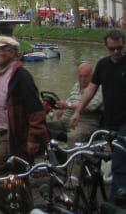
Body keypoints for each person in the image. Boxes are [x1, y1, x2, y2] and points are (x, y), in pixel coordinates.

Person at [0, 35, 48, 210]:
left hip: (14, 136)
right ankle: (27, 209)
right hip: (0, 134)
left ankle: (12, 207)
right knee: (19, 175)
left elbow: (36, 109)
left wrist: (34, 137)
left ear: (10, 53)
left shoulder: (21, 77)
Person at [71, 29, 126, 201]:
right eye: (112, 49)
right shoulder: (102, 65)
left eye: (119, 48)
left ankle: (116, 202)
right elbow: (90, 90)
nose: (116, 52)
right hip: (109, 121)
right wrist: (78, 111)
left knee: (118, 163)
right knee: (103, 159)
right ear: (106, 47)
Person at [46, 63, 102, 145]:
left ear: (92, 76)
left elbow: (90, 107)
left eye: (86, 76)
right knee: (42, 128)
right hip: (66, 121)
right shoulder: (76, 85)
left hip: (85, 124)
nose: (82, 79)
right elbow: (70, 101)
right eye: (80, 76)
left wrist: (67, 106)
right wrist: (62, 109)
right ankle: (44, 154)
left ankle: (73, 157)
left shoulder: (98, 88)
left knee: (72, 137)